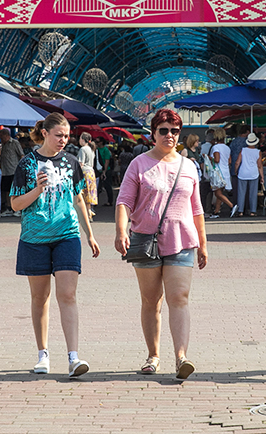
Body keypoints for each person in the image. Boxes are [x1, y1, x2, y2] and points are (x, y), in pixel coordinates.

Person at [115, 108, 207, 380]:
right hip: (145, 239)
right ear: (153, 133)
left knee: (179, 298)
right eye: (163, 130)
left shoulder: (188, 166)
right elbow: (124, 201)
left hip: (182, 241)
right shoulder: (139, 164)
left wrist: (203, 243)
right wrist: (121, 231)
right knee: (151, 300)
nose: (169, 135)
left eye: (174, 131)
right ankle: (153, 355)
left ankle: (181, 357)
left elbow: (197, 208)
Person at [9, 113, 100, 377]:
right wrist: (37, 190)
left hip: (66, 235)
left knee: (68, 295)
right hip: (34, 238)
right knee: (40, 297)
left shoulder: (72, 162)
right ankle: (43, 354)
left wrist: (90, 234)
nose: (63, 140)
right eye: (59, 135)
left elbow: (79, 199)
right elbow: (15, 204)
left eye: (67, 136)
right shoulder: (28, 164)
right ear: (46, 133)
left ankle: (74, 357)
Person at [234, 132, 264, 217]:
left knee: (241, 193)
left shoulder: (243, 150)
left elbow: (237, 162)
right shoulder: (258, 152)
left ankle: (240, 211)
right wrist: (262, 176)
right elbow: (259, 165)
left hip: (243, 173)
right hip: (253, 173)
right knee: (253, 193)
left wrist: (236, 171)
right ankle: (253, 211)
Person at [0, 128, 24, 217]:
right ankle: (9, 208)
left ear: (6, 135)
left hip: (14, 170)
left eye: (2, 137)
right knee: (6, 190)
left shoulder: (14, 143)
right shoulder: (2, 145)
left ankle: (17, 208)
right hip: (5, 171)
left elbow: (21, 154)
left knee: (15, 190)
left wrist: (21, 167)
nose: (1, 138)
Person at [209, 128, 234, 218]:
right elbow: (229, 161)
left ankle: (231, 206)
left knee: (217, 193)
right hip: (225, 171)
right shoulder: (227, 147)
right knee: (220, 192)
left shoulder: (215, 147)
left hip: (218, 173)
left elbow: (216, 159)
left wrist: (208, 157)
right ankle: (216, 211)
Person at [77, 133, 98, 221]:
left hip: (84, 172)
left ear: (82, 139)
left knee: (82, 192)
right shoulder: (91, 149)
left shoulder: (83, 149)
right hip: (91, 172)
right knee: (89, 193)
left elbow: (81, 163)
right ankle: (89, 211)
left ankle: (85, 213)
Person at [228, 124, 250, 204]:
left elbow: (229, 153)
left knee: (236, 189)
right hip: (245, 168)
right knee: (246, 189)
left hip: (234, 167)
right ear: (247, 131)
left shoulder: (234, 141)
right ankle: (245, 206)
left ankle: (236, 205)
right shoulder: (247, 142)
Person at [95, 138, 114, 206]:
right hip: (98, 169)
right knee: (97, 186)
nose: (96, 143)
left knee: (107, 186)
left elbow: (107, 161)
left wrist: (104, 171)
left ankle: (110, 201)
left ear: (102, 142)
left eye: (98, 141)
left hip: (105, 170)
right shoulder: (96, 149)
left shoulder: (106, 150)